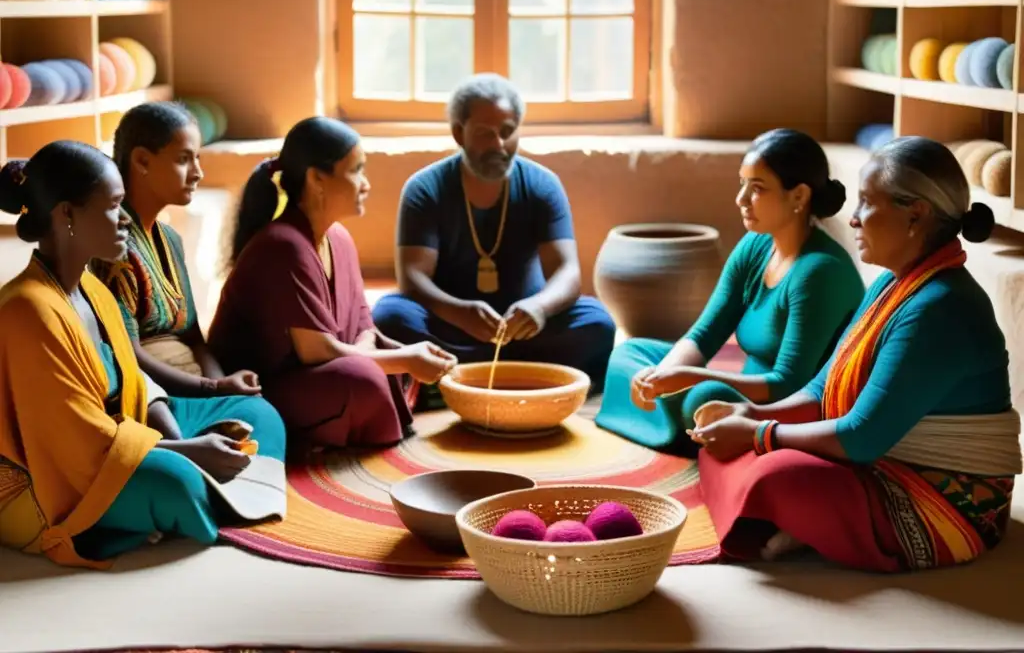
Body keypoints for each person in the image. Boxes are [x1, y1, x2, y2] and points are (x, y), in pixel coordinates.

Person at [694, 136, 1021, 573]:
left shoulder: (942, 307)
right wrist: (751, 413)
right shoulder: (890, 284)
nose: (852, 218)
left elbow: (860, 437)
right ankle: (805, 521)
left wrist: (759, 434)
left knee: (772, 474)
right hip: (881, 459)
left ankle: (806, 521)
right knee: (723, 445)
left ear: (915, 215)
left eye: (867, 203)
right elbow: (821, 388)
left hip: (945, 500)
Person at [0, 141, 286, 569]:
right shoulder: (26, 310)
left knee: (259, 413)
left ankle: (192, 494)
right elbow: (76, 445)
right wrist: (186, 453)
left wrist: (179, 439)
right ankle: (193, 493)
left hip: (127, 434)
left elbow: (136, 381)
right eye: (114, 206)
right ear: (67, 214)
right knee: (177, 482)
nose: (125, 220)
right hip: (61, 478)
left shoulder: (93, 290)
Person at [596, 129, 865, 452]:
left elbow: (788, 384)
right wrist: (662, 377)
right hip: (740, 389)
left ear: (798, 196)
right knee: (629, 355)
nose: (741, 199)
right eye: (743, 184)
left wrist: (688, 378)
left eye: (757, 188)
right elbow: (705, 334)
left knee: (704, 397)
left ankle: (678, 422)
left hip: (780, 409)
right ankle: (679, 422)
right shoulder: (756, 245)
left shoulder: (819, 272)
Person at [206, 117, 457, 449]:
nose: (365, 184)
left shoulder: (338, 237)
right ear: (316, 179)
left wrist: (401, 354)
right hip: (260, 391)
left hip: (315, 374)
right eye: (356, 171)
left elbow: (363, 323)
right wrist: (405, 359)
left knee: (390, 353)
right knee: (365, 376)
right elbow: (317, 351)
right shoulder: (282, 245)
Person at [372, 73, 616, 399]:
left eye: (507, 131)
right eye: (485, 133)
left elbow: (567, 271)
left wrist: (539, 308)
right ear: (459, 133)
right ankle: (524, 374)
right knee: (390, 316)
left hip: (526, 329)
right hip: (451, 326)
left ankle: (453, 378)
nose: (499, 144)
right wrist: (460, 313)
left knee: (597, 322)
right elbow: (413, 277)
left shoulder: (542, 184)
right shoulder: (425, 188)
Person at [91, 102, 262, 400]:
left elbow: (194, 338)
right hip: (151, 395)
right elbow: (127, 355)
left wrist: (223, 391)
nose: (198, 173)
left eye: (197, 159)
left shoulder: (170, 239)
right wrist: (212, 389)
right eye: (184, 159)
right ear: (142, 161)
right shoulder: (113, 246)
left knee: (257, 411)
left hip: (194, 384)